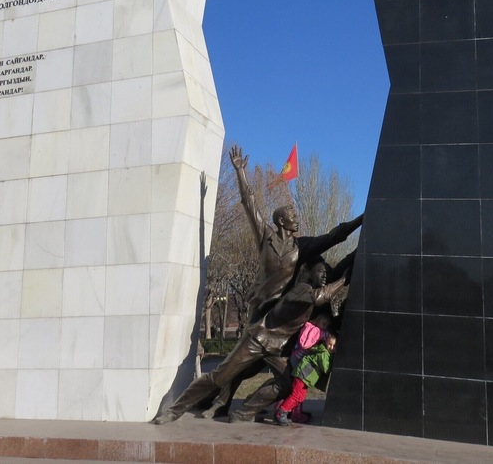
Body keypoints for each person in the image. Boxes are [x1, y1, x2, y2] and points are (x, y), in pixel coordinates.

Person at [199, 145, 363, 418]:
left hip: (283, 321)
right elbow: (249, 203)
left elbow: (333, 236)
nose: (297, 217)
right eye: (292, 215)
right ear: (280, 221)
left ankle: (251, 406)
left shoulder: (302, 248)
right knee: (241, 366)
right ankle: (219, 403)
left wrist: (360, 221)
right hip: (262, 310)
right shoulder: (267, 238)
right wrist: (240, 171)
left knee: (280, 372)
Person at [153, 260, 349, 425]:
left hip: (275, 347)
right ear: (309, 273)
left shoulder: (314, 300)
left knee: (289, 383)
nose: (325, 276)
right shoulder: (303, 289)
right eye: (321, 271)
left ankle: (243, 413)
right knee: (219, 376)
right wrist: (344, 280)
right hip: (258, 338)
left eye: (327, 273)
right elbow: (320, 296)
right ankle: (174, 410)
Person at [274, 331, 337, 426]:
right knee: (297, 396)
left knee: (300, 396)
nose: (331, 348)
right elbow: (326, 368)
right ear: (326, 342)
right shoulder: (323, 352)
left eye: (334, 346)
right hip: (302, 376)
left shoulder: (325, 352)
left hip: (304, 378)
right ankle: (281, 412)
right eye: (329, 344)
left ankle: (284, 410)